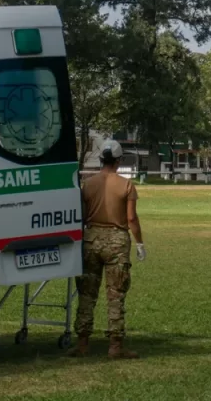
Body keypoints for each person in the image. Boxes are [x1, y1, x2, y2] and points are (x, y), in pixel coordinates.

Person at [70, 139, 145, 359]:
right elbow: (131, 218)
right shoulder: (127, 185)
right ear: (119, 161)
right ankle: (115, 345)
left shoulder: (89, 184)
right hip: (117, 241)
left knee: (86, 294)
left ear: (101, 159)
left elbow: (82, 216)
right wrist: (140, 243)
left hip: (91, 239)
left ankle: (82, 343)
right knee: (115, 295)